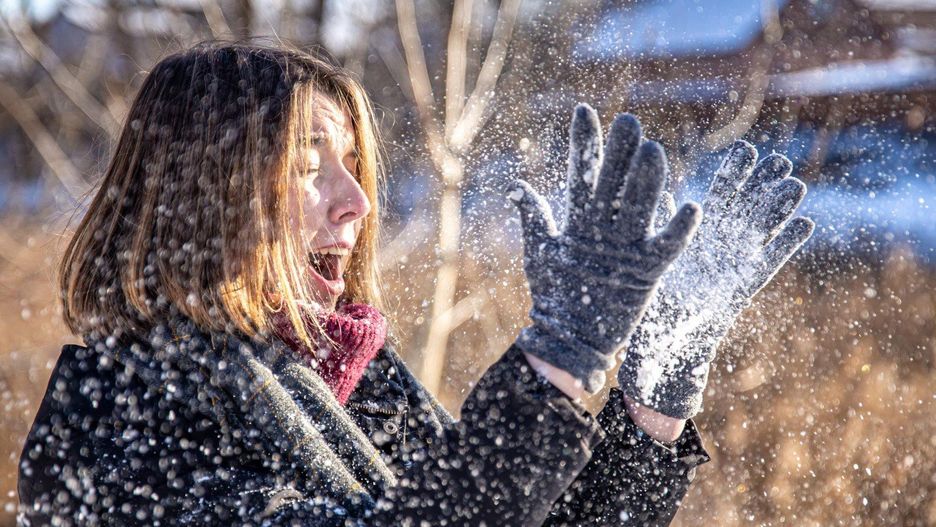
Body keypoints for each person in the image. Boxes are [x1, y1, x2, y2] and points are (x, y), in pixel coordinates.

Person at [17, 42, 812, 526]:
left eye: (353, 165)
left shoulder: (358, 386)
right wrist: (556, 361)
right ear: (206, 196)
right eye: (308, 164)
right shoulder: (121, 427)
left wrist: (649, 410)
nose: (357, 202)